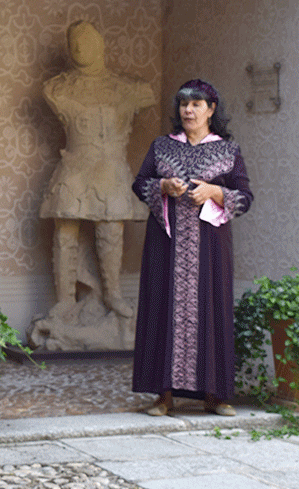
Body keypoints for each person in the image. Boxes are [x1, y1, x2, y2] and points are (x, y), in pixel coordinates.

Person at [132, 79, 253, 417]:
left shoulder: (228, 151)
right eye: (183, 104)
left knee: (210, 310)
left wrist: (215, 193)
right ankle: (163, 396)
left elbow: (245, 197)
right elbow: (139, 184)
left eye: (196, 104)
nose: (188, 110)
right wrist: (163, 186)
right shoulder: (161, 147)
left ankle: (215, 395)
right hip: (165, 246)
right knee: (163, 309)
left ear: (211, 110)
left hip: (210, 249)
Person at [39, 21, 155, 321]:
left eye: (86, 41)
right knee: (65, 230)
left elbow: (148, 96)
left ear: (100, 44)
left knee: (110, 229)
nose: (79, 48)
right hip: (75, 166)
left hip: (110, 167)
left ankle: (113, 295)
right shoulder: (57, 87)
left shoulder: (126, 88)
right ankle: (65, 299)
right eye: (73, 42)